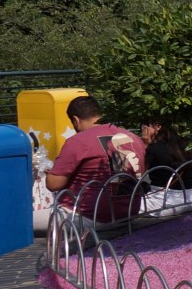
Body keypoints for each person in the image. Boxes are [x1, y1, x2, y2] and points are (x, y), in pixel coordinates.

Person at [44, 95, 146, 225]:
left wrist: (52, 174)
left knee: (24, 221)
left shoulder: (78, 141)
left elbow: (53, 184)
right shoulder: (133, 137)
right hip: (129, 212)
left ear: (76, 120)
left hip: (87, 216)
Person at [139, 121, 192, 213]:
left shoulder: (153, 149)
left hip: (163, 203)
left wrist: (145, 145)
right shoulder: (185, 147)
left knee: (122, 206)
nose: (142, 129)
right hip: (190, 200)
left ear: (158, 126)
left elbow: (139, 174)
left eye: (145, 126)